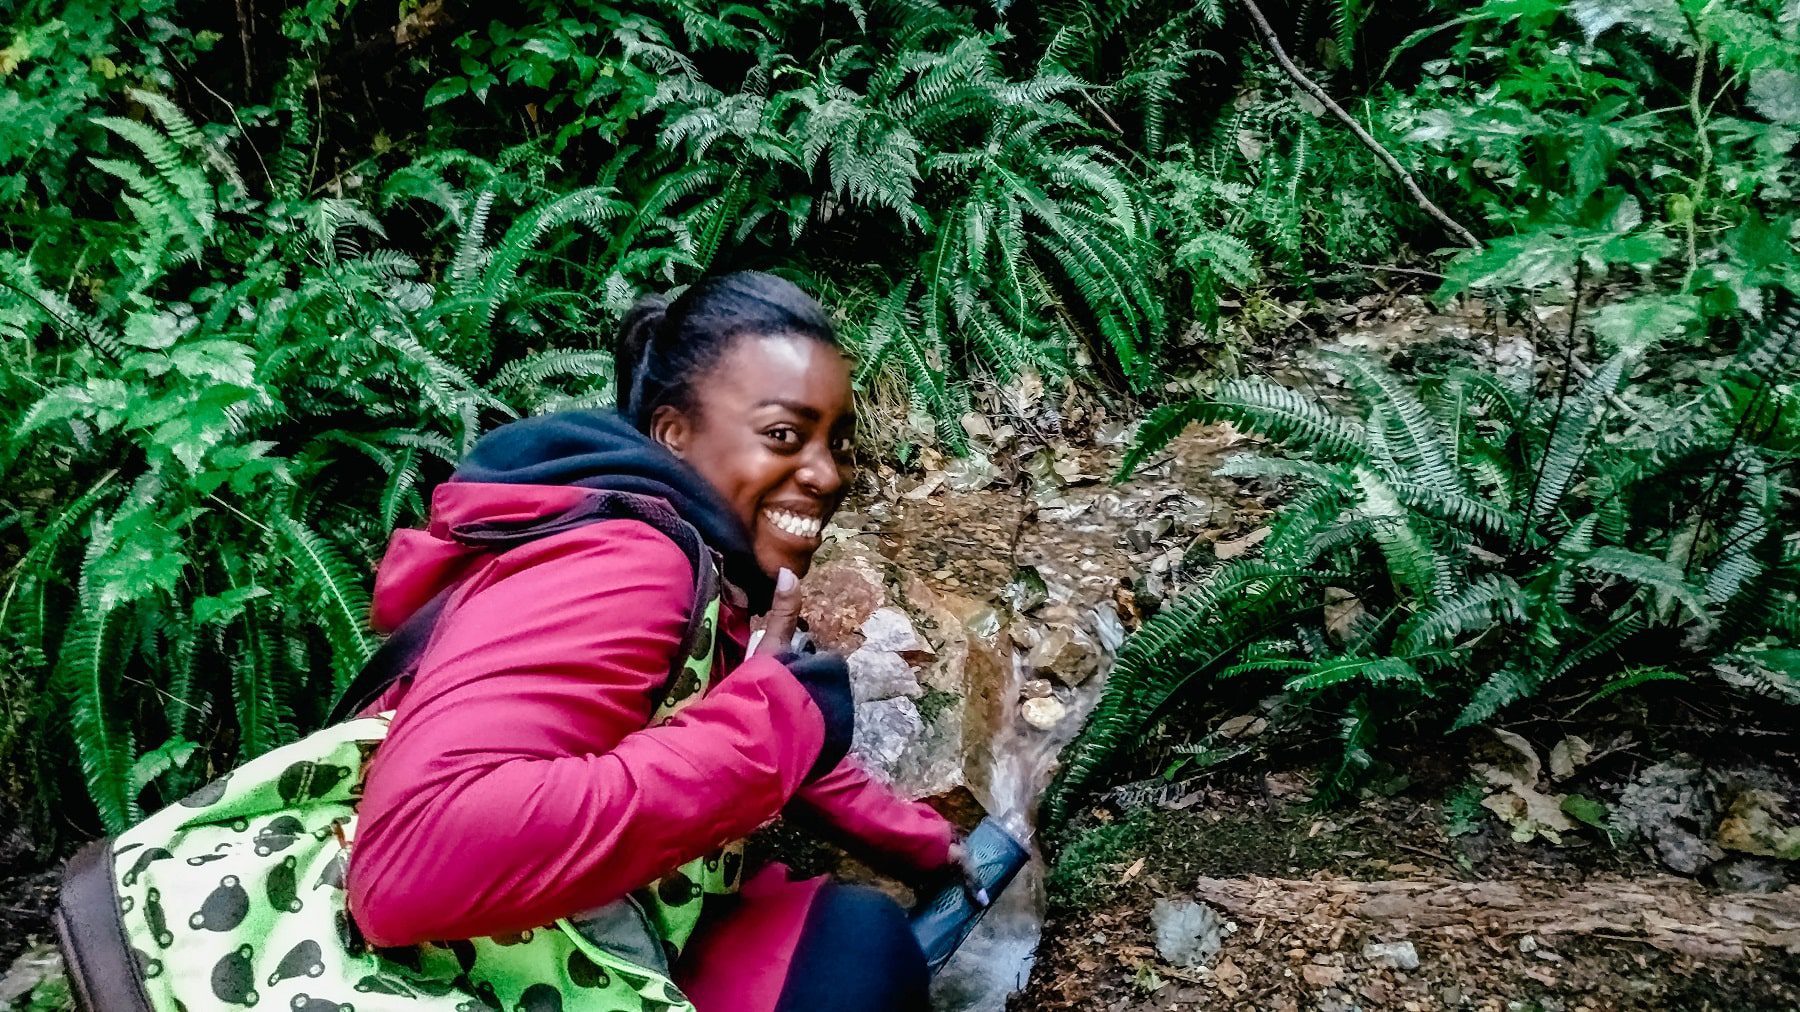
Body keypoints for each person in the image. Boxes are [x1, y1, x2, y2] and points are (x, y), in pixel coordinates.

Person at [345, 271, 969, 1012]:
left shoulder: (697, 555)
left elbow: (752, 711)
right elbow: (409, 862)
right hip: (434, 962)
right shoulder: (633, 564)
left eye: (837, 443)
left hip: (528, 934)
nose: (828, 474)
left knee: (853, 934)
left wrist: (922, 840)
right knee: (860, 958)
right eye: (783, 435)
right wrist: (758, 734)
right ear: (673, 433)